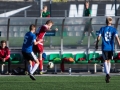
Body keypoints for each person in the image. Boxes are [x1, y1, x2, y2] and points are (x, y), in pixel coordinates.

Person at [95, 17, 120, 83]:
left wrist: (97, 44)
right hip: (111, 47)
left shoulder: (102, 29)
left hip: (104, 47)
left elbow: (99, 37)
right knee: (109, 60)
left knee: (105, 61)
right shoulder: (114, 29)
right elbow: (117, 38)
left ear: (106, 22)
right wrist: (119, 45)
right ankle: (108, 74)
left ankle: (107, 74)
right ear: (111, 22)